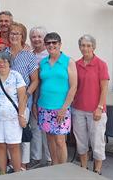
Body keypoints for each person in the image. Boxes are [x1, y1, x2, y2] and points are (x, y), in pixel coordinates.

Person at [35, 32, 77, 165]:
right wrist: (35, 105)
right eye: (48, 43)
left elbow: (73, 86)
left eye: (54, 42)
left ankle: (62, 168)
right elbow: (39, 85)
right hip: (44, 106)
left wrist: (64, 108)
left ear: (60, 44)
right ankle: (54, 165)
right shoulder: (43, 62)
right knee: (50, 139)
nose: (51, 45)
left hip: (61, 108)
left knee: (60, 140)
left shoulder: (68, 61)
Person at [0, 51, 28, 175]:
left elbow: (22, 97)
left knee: (13, 146)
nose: (1, 64)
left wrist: (21, 115)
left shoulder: (16, 76)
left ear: (10, 63)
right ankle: (2, 173)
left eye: (4, 61)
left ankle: (17, 173)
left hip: (13, 119)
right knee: (0, 146)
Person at [72, 34, 109, 175]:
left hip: (96, 110)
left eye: (88, 45)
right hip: (78, 109)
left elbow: (104, 88)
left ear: (94, 47)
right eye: (82, 45)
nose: (85, 48)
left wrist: (99, 108)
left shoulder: (101, 64)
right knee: (81, 141)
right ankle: (83, 167)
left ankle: (97, 170)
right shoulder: (76, 65)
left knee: (97, 142)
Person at [5, 22, 39, 171]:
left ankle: (23, 164)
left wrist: (26, 94)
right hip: (5, 102)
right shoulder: (3, 54)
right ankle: (11, 162)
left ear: (22, 37)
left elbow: (35, 80)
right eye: (12, 33)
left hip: (23, 101)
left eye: (17, 34)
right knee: (8, 133)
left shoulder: (29, 56)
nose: (14, 36)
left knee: (23, 133)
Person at [27, 26, 51, 169]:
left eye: (39, 37)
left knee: (47, 130)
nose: (36, 39)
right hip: (32, 97)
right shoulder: (29, 54)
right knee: (35, 128)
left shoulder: (50, 55)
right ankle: (36, 158)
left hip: (47, 98)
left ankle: (49, 159)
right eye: (33, 37)